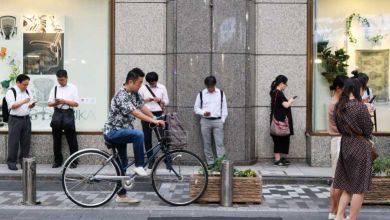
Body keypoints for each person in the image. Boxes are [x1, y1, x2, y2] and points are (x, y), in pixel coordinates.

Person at [103, 67, 165, 204]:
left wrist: (155, 118)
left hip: (121, 132)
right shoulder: (122, 95)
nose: (141, 85)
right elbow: (135, 113)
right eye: (139, 83)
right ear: (130, 82)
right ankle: (139, 165)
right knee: (138, 134)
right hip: (113, 131)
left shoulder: (134, 93)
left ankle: (121, 195)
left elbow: (142, 107)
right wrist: (154, 121)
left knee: (122, 164)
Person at [333, 78, 373, 220]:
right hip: (359, 146)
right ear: (355, 90)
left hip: (345, 144)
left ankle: (339, 216)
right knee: (359, 188)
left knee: (347, 185)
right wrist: (368, 113)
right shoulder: (360, 106)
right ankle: (352, 218)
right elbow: (368, 129)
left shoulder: (339, 106)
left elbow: (338, 128)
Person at [48, 70, 80, 168]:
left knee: (72, 139)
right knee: (56, 139)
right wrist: (56, 103)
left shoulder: (73, 88)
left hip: (68, 114)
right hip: (57, 113)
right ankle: (58, 160)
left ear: (66, 78)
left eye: (62, 80)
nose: (60, 82)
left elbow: (76, 103)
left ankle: (74, 161)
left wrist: (65, 101)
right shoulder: (55, 88)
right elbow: (49, 103)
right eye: (58, 80)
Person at [194, 76, 228, 167]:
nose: (210, 89)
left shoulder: (221, 93)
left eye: (211, 87)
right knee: (207, 143)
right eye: (208, 87)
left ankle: (221, 163)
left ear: (214, 85)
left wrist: (222, 120)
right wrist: (204, 113)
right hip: (205, 121)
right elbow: (196, 108)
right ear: (206, 85)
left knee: (219, 143)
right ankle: (210, 163)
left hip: (218, 121)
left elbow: (224, 108)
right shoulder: (201, 94)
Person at [138, 72, 169, 172]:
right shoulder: (142, 88)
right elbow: (138, 102)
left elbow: (167, 101)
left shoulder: (162, 87)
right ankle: (151, 159)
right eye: (151, 83)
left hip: (159, 113)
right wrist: (146, 100)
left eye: (154, 83)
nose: (153, 84)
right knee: (147, 139)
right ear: (148, 82)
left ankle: (167, 160)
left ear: (157, 80)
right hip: (146, 114)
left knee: (163, 138)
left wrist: (160, 100)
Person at [327, 75, 348, 220]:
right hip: (339, 140)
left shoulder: (337, 102)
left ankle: (336, 212)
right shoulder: (336, 104)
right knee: (338, 179)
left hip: (339, 140)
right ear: (338, 88)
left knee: (338, 179)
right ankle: (335, 212)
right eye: (346, 87)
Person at [6, 74, 36, 171]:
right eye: (24, 84)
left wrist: (31, 105)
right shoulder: (11, 92)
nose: (26, 86)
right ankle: (11, 162)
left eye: (27, 84)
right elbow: (12, 106)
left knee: (25, 142)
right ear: (18, 83)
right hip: (15, 119)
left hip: (26, 119)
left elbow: (30, 102)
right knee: (13, 142)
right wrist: (23, 101)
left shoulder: (28, 90)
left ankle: (23, 162)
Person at [269, 75, 295, 167]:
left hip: (276, 119)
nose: (286, 86)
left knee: (280, 139)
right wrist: (291, 100)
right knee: (279, 139)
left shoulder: (274, 92)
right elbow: (286, 105)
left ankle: (279, 158)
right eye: (285, 84)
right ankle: (277, 160)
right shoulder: (279, 93)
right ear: (281, 84)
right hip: (279, 120)